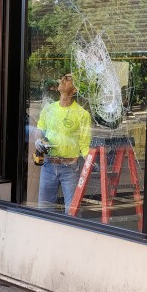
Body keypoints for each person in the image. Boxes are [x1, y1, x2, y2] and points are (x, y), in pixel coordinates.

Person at [35, 73, 93, 211]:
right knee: (44, 210)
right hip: (48, 165)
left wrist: (91, 163)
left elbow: (85, 145)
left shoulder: (82, 114)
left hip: (70, 168)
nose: (63, 80)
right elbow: (40, 130)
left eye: (68, 79)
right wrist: (38, 140)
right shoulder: (48, 109)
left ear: (75, 90)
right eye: (62, 78)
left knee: (72, 212)